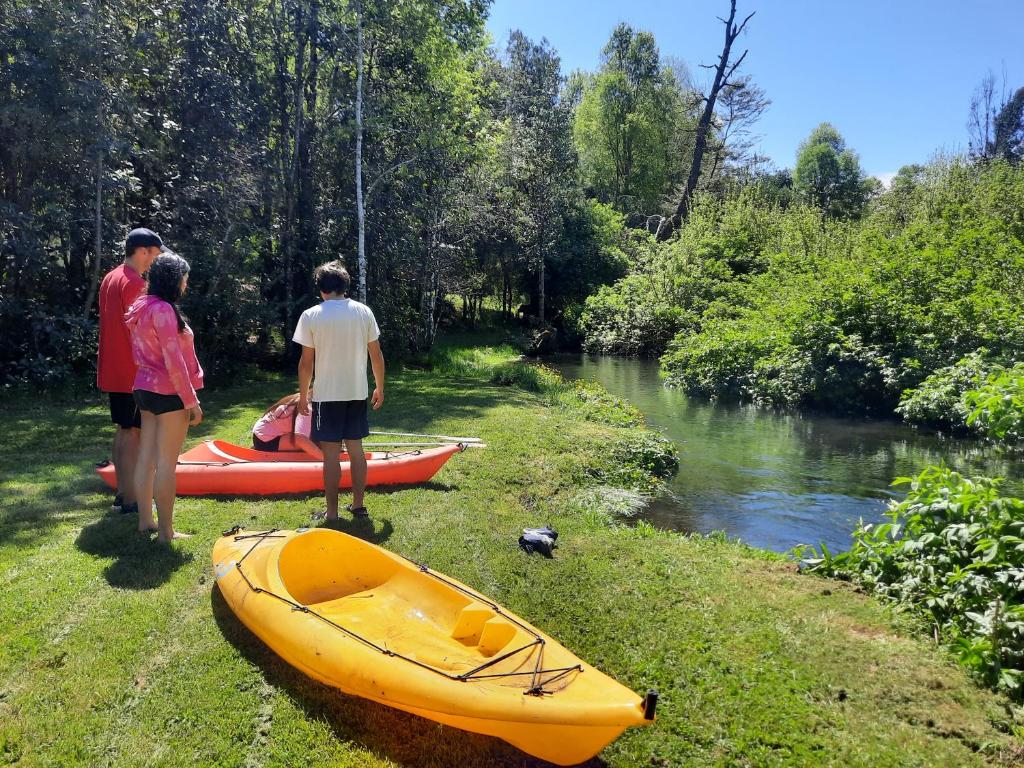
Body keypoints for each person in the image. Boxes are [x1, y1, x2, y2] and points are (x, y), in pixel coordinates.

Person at [293, 261, 385, 520]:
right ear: (344, 286)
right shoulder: (363, 312)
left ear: (321, 288)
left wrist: (302, 396)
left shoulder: (312, 315)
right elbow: (376, 355)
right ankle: (358, 505)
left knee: (330, 455)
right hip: (356, 392)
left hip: (326, 396)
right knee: (356, 451)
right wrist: (379, 386)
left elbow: (305, 363)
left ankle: (332, 513)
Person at [125, 253, 204, 542]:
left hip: (143, 388)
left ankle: (146, 522)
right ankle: (166, 532)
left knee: (146, 457)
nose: (187, 283)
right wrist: (191, 401)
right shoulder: (163, 310)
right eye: (185, 277)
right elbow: (174, 361)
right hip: (167, 392)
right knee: (166, 463)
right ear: (176, 280)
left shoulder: (140, 306)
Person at [96, 228, 165, 516]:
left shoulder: (110, 278)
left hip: (113, 368)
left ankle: (123, 494)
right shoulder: (135, 283)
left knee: (124, 430)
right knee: (134, 433)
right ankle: (132, 499)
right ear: (143, 251)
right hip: (132, 371)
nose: (153, 263)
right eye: (153, 256)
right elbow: (143, 331)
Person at [252, 392, 320, 457]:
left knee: (319, 440)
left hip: (261, 434)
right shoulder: (308, 408)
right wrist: (326, 459)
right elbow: (300, 439)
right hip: (265, 441)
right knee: (314, 444)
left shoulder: (306, 398)